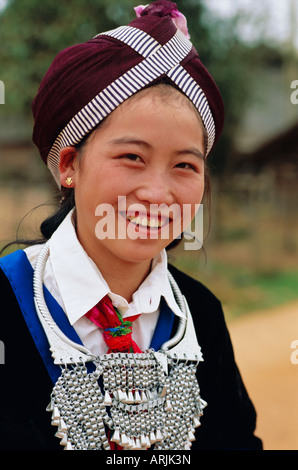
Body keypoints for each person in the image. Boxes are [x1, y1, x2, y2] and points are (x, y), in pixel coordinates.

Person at [0, 1, 262, 451]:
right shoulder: (6, 304)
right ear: (69, 165)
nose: (158, 194)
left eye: (185, 165)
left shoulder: (201, 315)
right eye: (132, 157)